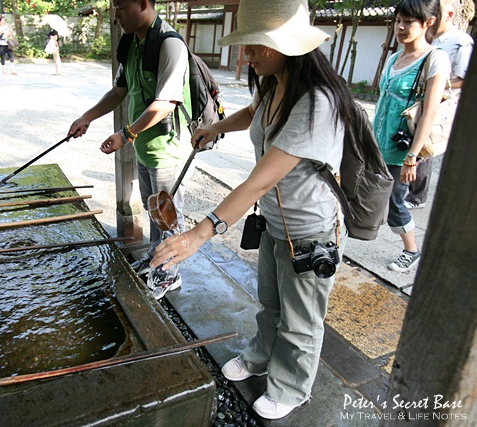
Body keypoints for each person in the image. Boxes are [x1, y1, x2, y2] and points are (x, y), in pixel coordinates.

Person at [150, 0, 356, 419]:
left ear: (288, 46)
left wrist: (199, 234)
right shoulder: (275, 80)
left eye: (257, 46)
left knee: (301, 320)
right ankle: (261, 357)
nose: (248, 55)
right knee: (271, 304)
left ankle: (291, 386)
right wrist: (213, 128)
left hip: (311, 230)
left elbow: (260, 180)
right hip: (276, 223)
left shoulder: (316, 102)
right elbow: (252, 113)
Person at [68, 0, 193, 299]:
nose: (116, 13)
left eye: (122, 6)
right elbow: (119, 91)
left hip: (168, 149)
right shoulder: (132, 44)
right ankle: (156, 261)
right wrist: (87, 117)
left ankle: (169, 275)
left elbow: (165, 104)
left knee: (169, 217)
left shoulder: (170, 45)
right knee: (154, 213)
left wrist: (126, 134)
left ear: (144, 3)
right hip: (144, 147)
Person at [373, 0, 450, 273]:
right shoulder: (394, 57)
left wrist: (412, 158)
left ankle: (411, 250)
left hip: (401, 149)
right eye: (398, 21)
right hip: (377, 142)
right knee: (365, 193)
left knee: (396, 202)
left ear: (427, 23)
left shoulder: (435, 59)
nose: (401, 27)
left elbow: (428, 113)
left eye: (409, 22)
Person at [404, 0, 473, 210]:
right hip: (422, 100)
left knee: (426, 147)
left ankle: (417, 197)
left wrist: (436, 85)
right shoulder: (430, 39)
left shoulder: (461, 42)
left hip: (443, 104)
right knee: (412, 140)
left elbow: (464, 78)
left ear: (450, 15)